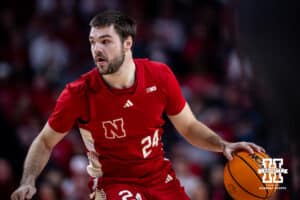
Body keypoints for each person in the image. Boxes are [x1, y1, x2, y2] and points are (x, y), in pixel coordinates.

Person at [11, 10, 265, 200]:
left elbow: (188, 126)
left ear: (128, 43)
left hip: (159, 178)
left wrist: (223, 145)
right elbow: (45, 141)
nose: (97, 49)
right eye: (92, 42)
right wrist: (28, 180)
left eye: (106, 41)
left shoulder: (160, 75)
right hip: (112, 184)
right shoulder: (78, 93)